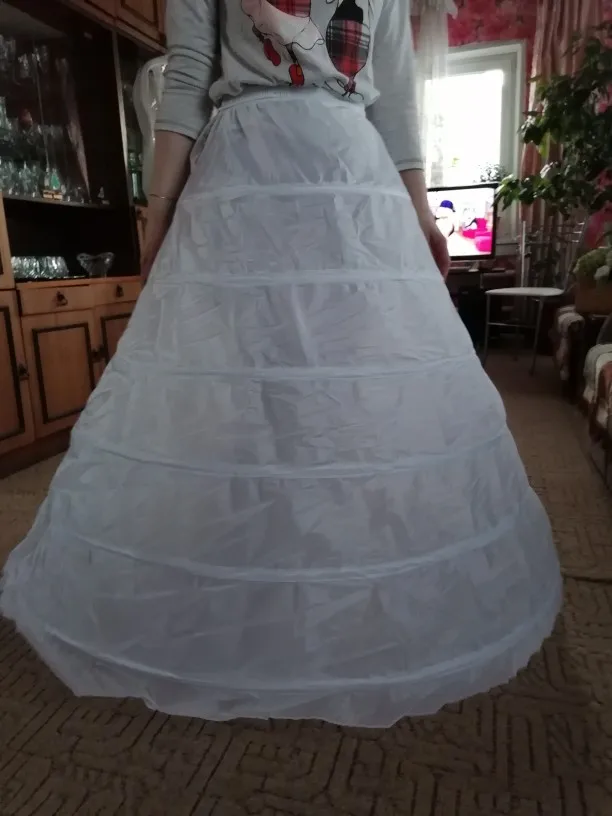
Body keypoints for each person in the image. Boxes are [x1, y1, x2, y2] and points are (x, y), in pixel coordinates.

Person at [0, 0, 562, 728]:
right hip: (257, 174)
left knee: (345, 371)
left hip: (337, 178)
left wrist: (421, 212)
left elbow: (394, 92)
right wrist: (159, 210)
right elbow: (189, 74)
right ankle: (261, 566)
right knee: (249, 375)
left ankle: (323, 569)